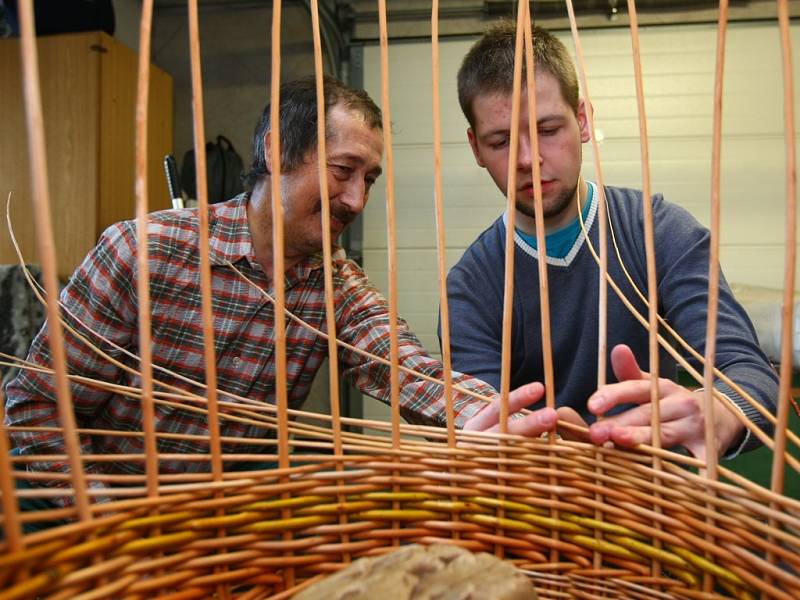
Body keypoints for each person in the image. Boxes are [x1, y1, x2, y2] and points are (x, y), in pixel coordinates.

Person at [5, 76, 557, 516]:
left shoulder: (334, 283)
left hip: (215, 533)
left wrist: (495, 418)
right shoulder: (140, 251)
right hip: (85, 518)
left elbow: (405, 366)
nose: (357, 199)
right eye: (344, 171)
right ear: (275, 151)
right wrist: (110, 520)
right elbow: (33, 408)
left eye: (371, 179)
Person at [442, 21, 778, 460]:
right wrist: (504, 442)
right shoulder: (470, 287)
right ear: (476, 148)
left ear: (582, 120)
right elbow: (482, 417)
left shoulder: (658, 232)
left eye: (547, 130)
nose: (528, 159)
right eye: (501, 141)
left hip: (655, 501)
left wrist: (718, 412)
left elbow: (748, 374)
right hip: (534, 507)